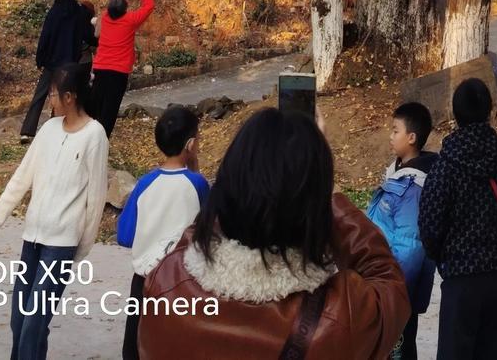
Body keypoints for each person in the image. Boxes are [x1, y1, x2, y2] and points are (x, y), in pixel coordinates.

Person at [139, 106, 409, 360]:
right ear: (314, 207)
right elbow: (386, 276)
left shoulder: (164, 287)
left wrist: (240, 184)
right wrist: (329, 191)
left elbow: (194, 242)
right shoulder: (345, 317)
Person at [0, 61, 109, 360]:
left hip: (61, 246)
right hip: (32, 239)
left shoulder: (95, 136)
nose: (50, 99)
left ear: (70, 97)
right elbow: (20, 180)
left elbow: (95, 199)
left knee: (33, 322)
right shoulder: (48, 130)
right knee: (21, 319)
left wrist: (79, 251)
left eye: (54, 94)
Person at [418, 77, 497, 360]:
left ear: (455, 114)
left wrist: (443, 257)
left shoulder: (445, 167)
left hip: (461, 279)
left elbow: (430, 226)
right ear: (489, 111)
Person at [115, 103, 209, 360]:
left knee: (134, 348)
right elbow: (208, 228)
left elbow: (124, 235)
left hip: (142, 280)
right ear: (190, 144)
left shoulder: (145, 183)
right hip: (180, 282)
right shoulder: (197, 184)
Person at [368, 101, 438, 360]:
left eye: (395, 130)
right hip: (385, 280)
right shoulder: (397, 173)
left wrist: (394, 290)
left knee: (399, 347)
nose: (390, 135)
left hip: (397, 287)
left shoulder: (415, 187)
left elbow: (410, 246)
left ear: (412, 137)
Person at [20, 0, 97, 141]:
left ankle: (27, 131)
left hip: (51, 62)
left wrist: (40, 58)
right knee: (64, 97)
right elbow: (88, 36)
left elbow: (45, 37)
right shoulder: (79, 13)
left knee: (40, 95)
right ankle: (56, 129)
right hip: (69, 62)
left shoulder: (54, 12)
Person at [89, 0, 154, 136]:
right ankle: (102, 139)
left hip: (100, 68)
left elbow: (115, 1)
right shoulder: (130, 20)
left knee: (95, 106)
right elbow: (149, 6)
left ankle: (87, 138)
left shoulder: (105, 17)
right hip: (118, 72)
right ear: (125, 10)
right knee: (109, 110)